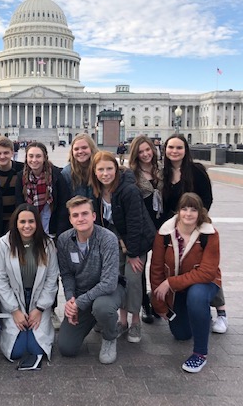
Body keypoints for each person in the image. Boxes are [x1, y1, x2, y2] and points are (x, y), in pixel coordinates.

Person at [162, 134, 227, 334]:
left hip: (197, 224)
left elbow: (207, 198)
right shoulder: (163, 173)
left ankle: (221, 312)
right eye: (171, 147)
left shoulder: (196, 170)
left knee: (207, 266)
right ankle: (190, 303)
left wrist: (196, 221)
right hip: (173, 228)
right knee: (179, 265)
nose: (174, 151)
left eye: (179, 147)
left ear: (185, 150)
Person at [150, 192, 222, 373]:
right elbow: (156, 269)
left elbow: (207, 272)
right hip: (179, 289)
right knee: (181, 334)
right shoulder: (165, 234)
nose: (188, 214)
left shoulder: (209, 234)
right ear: (178, 211)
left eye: (193, 209)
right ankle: (201, 317)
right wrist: (160, 305)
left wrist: (171, 283)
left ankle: (200, 354)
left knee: (197, 296)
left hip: (205, 283)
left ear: (200, 212)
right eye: (184, 208)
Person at [90, 151, 156, 344]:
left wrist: (134, 254)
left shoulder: (128, 190)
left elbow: (136, 224)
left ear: (116, 170)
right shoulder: (96, 191)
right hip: (116, 242)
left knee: (133, 278)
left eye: (109, 169)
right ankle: (122, 320)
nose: (105, 173)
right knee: (118, 278)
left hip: (137, 242)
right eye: (101, 169)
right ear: (94, 172)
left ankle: (135, 321)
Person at [56, 196, 125, 364]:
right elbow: (66, 274)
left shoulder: (107, 239)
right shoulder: (64, 240)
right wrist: (71, 299)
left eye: (85, 214)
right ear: (70, 219)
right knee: (67, 348)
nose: (81, 219)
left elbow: (108, 283)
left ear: (94, 216)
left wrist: (79, 303)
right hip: (81, 294)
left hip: (110, 291)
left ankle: (109, 336)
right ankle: (96, 319)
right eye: (76, 215)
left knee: (102, 307)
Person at [0, 204, 59, 368]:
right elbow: (0, 280)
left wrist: (39, 308)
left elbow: (52, 278)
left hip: (38, 300)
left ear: (37, 223)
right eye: (22, 221)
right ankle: (19, 331)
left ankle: (34, 329)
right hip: (14, 300)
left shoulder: (47, 244)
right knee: (17, 351)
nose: (27, 226)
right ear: (16, 223)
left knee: (38, 349)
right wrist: (14, 310)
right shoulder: (4, 244)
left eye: (31, 221)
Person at [128, 135, 164, 324]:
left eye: (147, 150)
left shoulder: (162, 171)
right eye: (140, 151)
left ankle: (159, 303)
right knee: (140, 269)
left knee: (160, 267)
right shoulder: (131, 174)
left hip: (163, 224)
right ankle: (144, 305)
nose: (145, 154)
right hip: (142, 226)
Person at [16, 141, 71, 238]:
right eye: (31, 156)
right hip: (30, 227)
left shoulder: (56, 175)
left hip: (51, 227)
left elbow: (63, 204)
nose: (34, 160)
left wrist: (59, 233)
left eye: (38, 156)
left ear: (45, 158)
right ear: (26, 158)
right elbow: (19, 204)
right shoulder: (21, 176)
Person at [61, 133, 99, 198]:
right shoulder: (66, 173)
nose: (80, 151)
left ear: (92, 148)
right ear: (72, 152)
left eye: (84, 148)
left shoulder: (100, 169)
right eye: (76, 149)